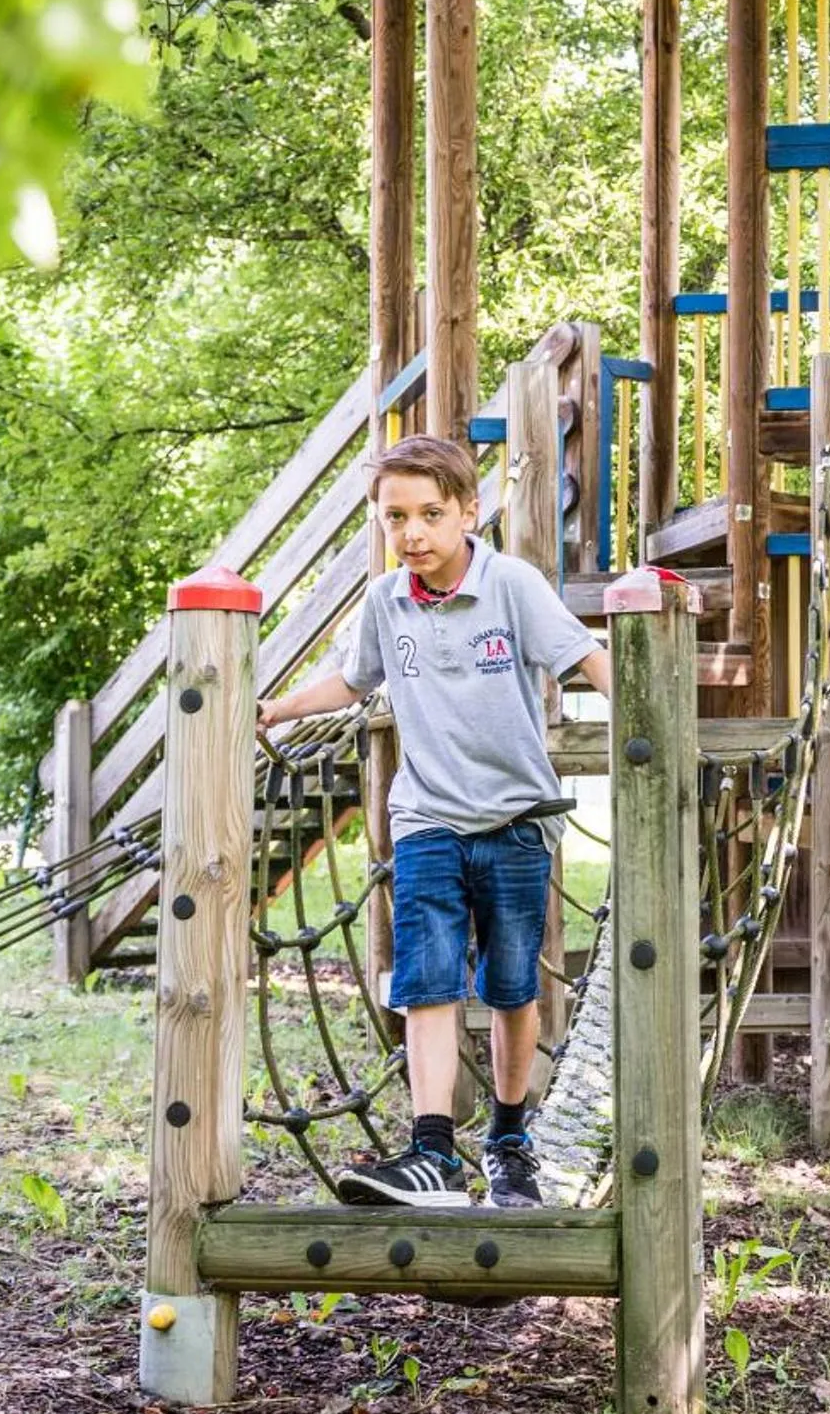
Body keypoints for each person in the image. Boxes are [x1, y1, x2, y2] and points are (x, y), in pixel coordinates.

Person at [257, 435, 612, 1209]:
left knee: (514, 985)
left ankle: (511, 1140)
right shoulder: (386, 601)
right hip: (426, 820)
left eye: (429, 513)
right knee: (428, 979)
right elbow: (354, 680)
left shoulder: (510, 584)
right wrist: (280, 707)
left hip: (519, 819)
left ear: (466, 512)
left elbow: (586, 655)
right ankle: (431, 1150)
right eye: (396, 517)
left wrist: (652, 713)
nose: (412, 532)